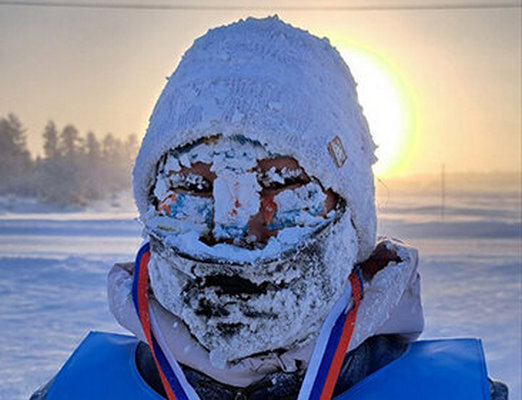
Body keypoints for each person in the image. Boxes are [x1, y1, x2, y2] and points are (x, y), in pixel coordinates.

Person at [30, 16, 508, 400]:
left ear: (350, 209)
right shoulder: (73, 392)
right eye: (195, 186)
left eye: (281, 182)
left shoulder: (457, 393)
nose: (235, 226)